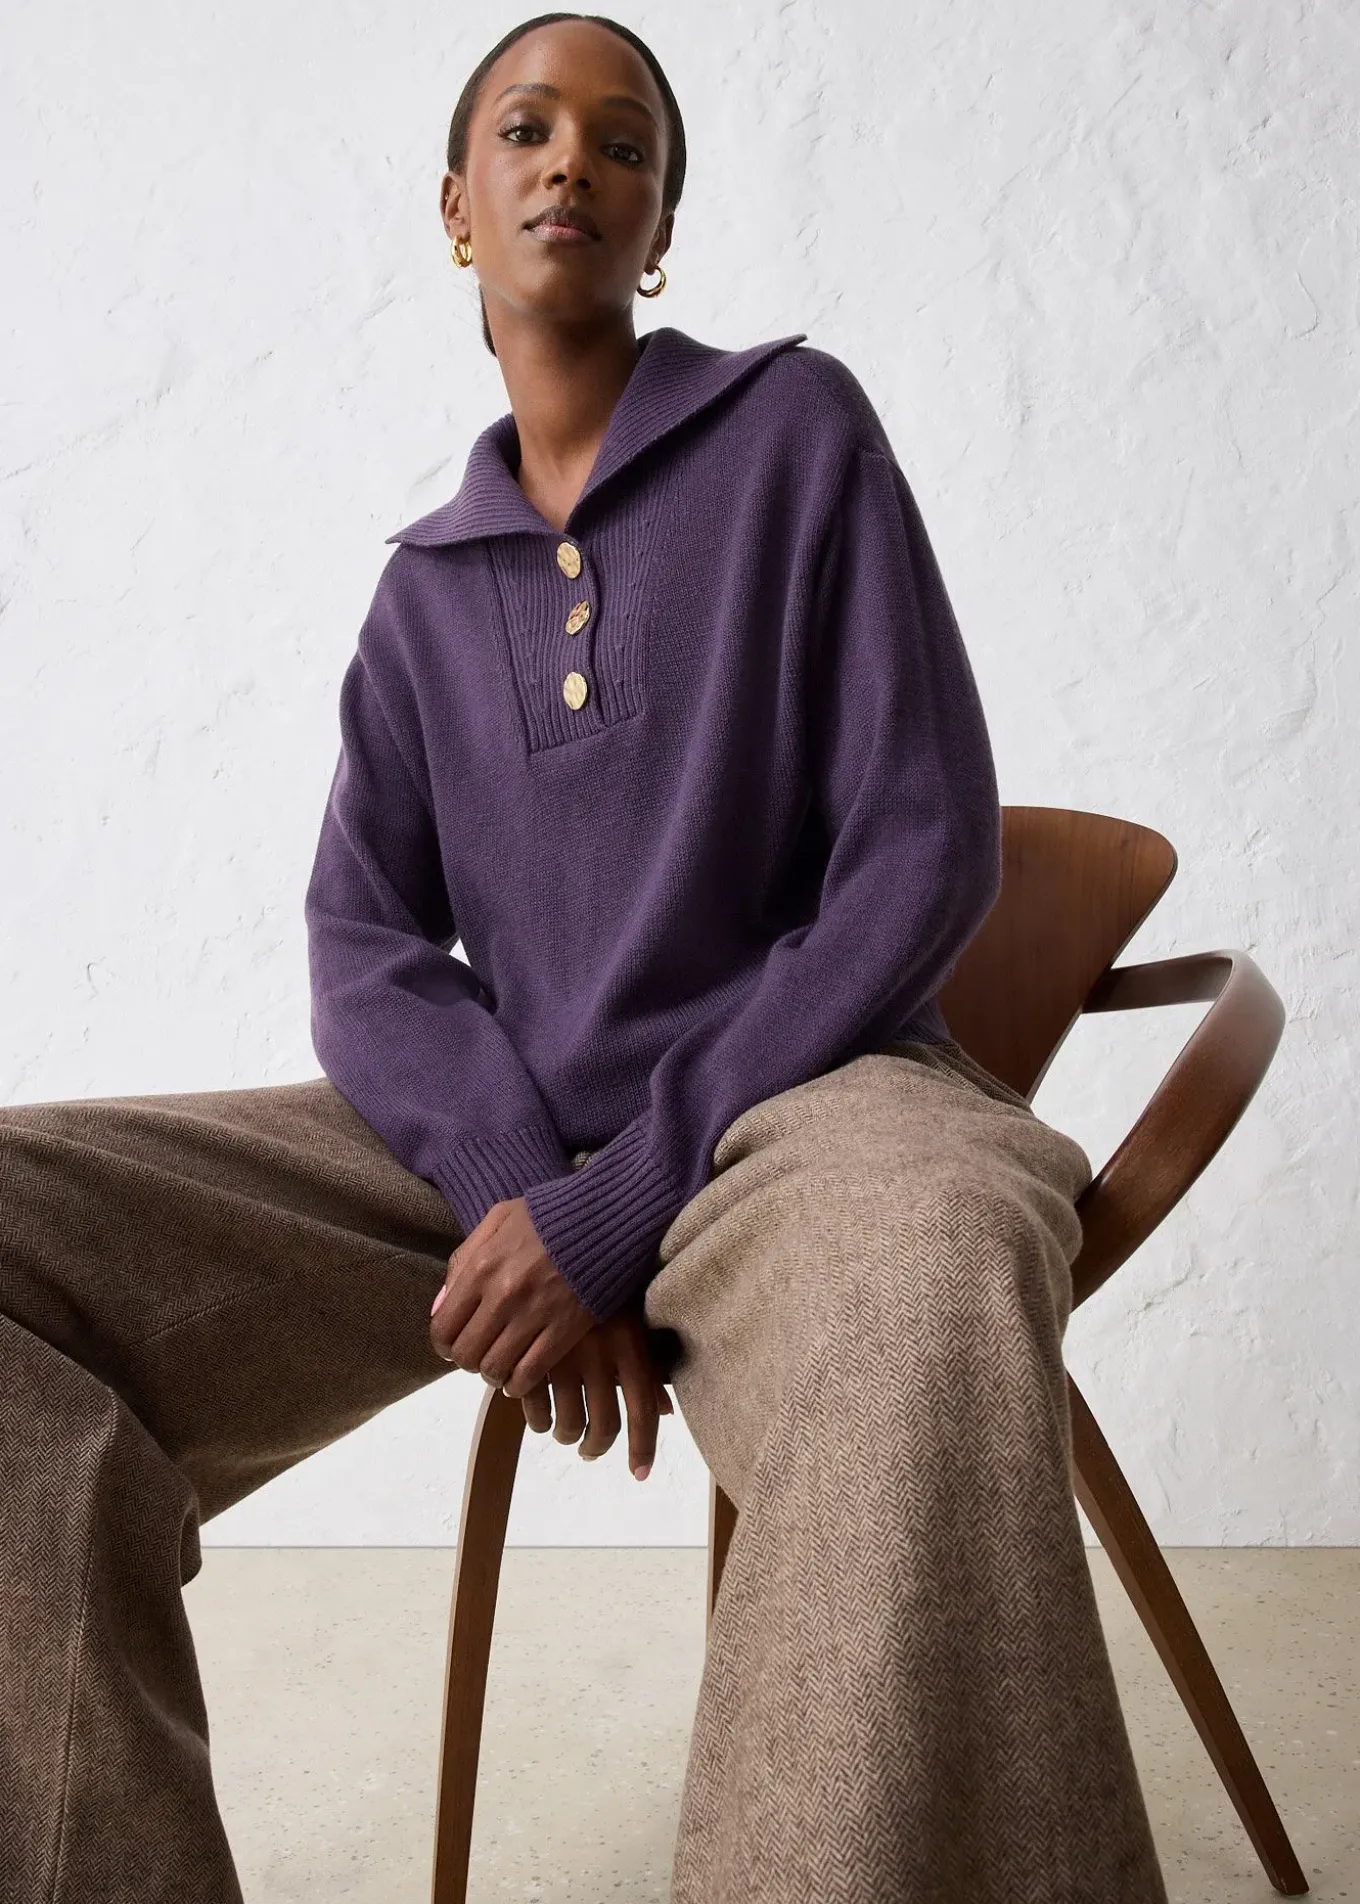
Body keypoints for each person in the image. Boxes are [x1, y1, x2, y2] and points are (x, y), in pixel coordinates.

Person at [0, 11, 1171, 1903]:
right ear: (457, 211)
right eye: (528, 133)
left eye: (624, 146)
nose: (573, 164)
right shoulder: (421, 597)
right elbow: (363, 941)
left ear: (661, 227)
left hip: (806, 1115)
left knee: (935, 1267)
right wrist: (526, 1195)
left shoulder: (794, 434)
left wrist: (624, 1207)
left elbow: (920, 845)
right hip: (497, 1155)